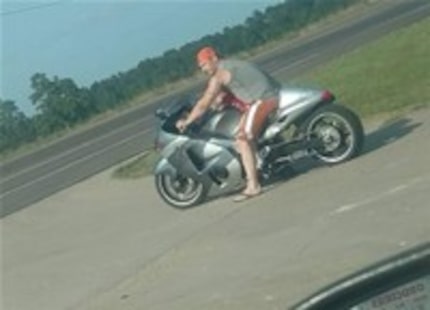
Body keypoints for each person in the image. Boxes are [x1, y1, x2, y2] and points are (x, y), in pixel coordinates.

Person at [176, 46, 280, 202]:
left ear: (214, 59)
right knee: (239, 138)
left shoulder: (220, 74)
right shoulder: (229, 66)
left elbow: (205, 101)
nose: (203, 69)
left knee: (243, 140)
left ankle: (253, 186)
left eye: (204, 64)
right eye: (201, 67)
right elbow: (219, 97)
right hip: (266, 96)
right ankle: (266, 166)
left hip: (262, 100)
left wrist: (188, 120)